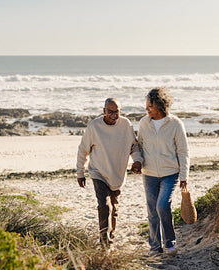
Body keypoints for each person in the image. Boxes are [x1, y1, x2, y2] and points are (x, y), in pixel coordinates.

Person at [77, 98, 142, 249]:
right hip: (98, 172)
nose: (114, 115)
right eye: (110, 111)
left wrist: (137, 161)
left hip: (117, 174)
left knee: (114, 210)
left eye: (117, 111)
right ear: (104, 111)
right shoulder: (94, 126)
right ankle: (105, 244)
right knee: (105, 206)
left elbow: (135, 147)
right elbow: (83, 150)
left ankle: (110, 240)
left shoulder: (126, 125)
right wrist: (80, 172)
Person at [136, 87, 190, 255]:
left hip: (170, 173)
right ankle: (155, 247)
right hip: (149, 173)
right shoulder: (144, 123)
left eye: (150, 106)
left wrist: (184, 176)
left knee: (162, 206)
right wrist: (137, 161)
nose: (147, 109)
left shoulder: (175, 124)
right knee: (152, 211)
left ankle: (170, 243)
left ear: (159, 106)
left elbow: (183, 151)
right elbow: (138, 146)